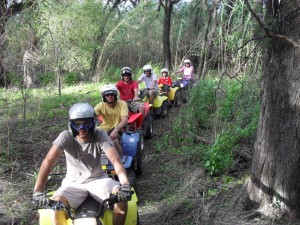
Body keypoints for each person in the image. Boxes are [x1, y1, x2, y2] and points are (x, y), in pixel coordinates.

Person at [32, 103, 132, 225]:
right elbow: (48, 162)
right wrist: (38, 190)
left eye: (86, 123)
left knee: (121, 201)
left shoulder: (100, 135)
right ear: (71, 125)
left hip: (98, 180)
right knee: (56, 207)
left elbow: (115, 160)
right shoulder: (66, 136)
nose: (82, 128)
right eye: (77, 124)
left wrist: (125, 184)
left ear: (93, 123)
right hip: (73, 183)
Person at [94, 84, 128, 156]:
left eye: (112, 94)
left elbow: (125, 120)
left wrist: (116, 130)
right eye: (107, 95)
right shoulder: (101, 105)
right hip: (104, 128)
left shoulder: (122, 104)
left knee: (114, 141)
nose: (110, 96)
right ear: (104, 96)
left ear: (115, 95)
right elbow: (91, 115)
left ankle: (121, 159)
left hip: (118, 129)